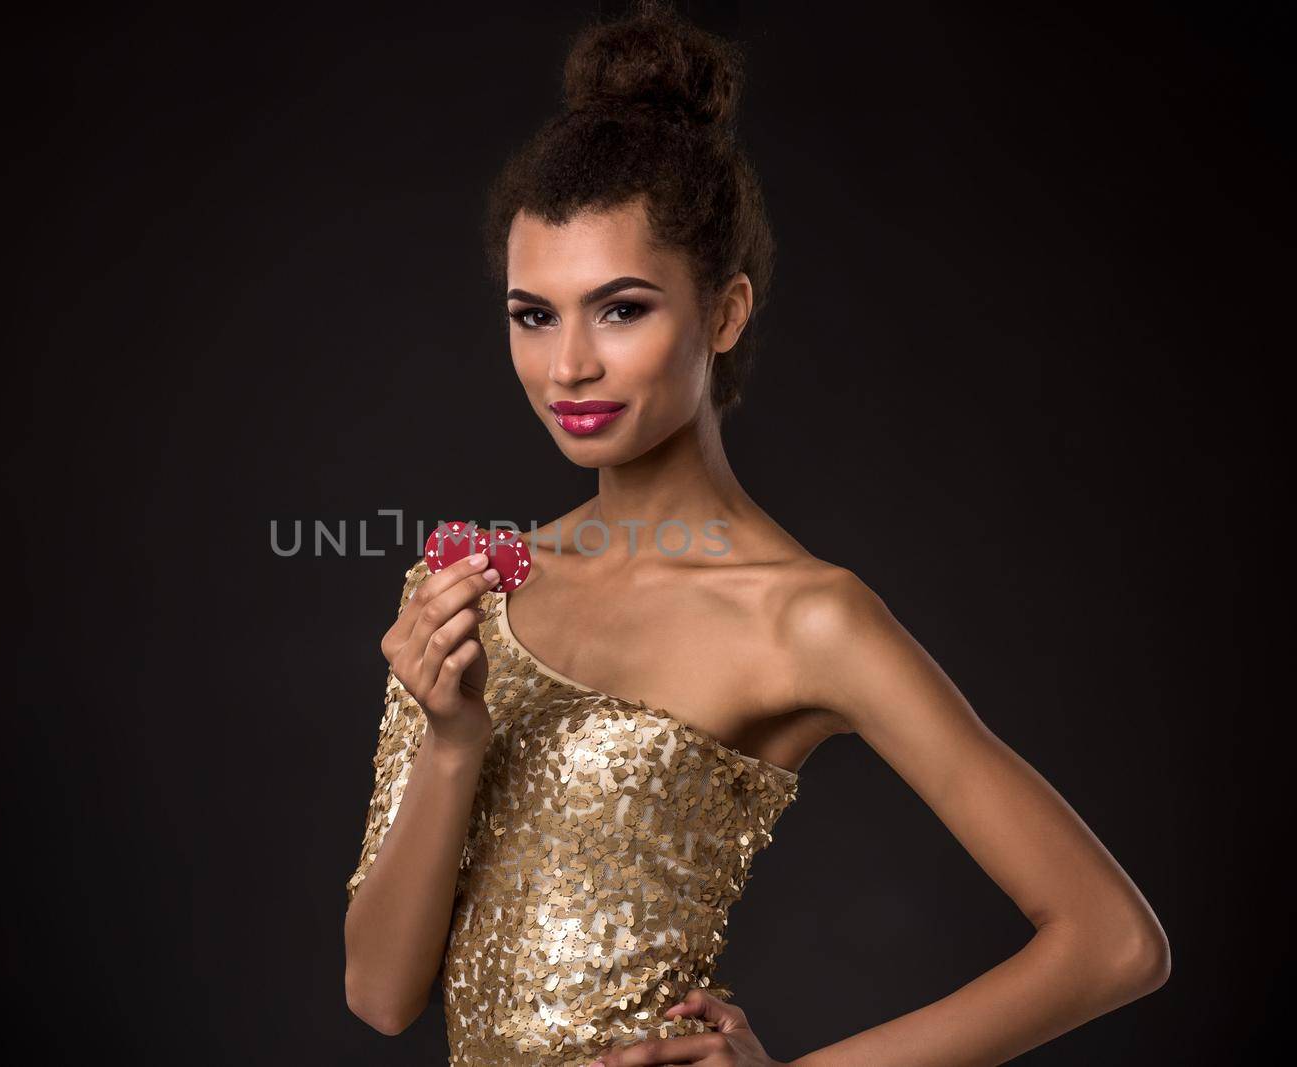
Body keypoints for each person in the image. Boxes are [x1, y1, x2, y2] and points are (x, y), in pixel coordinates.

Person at [342, 3, 1169, 1064]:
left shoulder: (804, 615)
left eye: (622, 308)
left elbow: (1111, 942)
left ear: (723, 313)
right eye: (533, 313)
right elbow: (377, 992)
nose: (568, 368)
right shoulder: (468, 587)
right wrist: (453, 740)